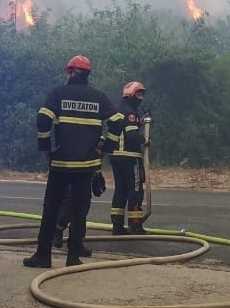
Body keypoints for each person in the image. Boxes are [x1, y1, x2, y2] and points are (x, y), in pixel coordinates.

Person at [24, 55, 124, 268]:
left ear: (70, 73)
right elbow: (117, 123)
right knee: (80, 210)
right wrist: (105, 148)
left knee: (51, 209)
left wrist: (46, 148)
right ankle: (73, 256)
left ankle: (43, 256)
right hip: (87, 165)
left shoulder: (58, 94)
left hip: (60, 163)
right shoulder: (99, 97)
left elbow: (43, 119)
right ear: (87, 75)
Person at [109, 81, 149, 235]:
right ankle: (135, 225)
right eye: (138, 95)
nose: (141, 99)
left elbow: (124, 129)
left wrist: (140, 122)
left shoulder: (118, 109)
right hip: (130, 157)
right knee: (136, 191)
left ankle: (117, 226)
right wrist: (145, 140)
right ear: (131, 95)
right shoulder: (130, 112)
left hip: (116, 157)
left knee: (121, 191)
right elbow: (132, 136)